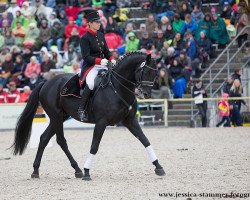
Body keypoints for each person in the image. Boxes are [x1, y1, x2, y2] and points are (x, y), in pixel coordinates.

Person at [78, 10, 116, 121]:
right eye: (96, 22)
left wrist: (112, 59)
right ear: (89, 23)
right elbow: (86, 57)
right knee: (90, 83)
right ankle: (81, 109)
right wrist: (100, 61)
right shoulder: (84, 38)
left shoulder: (101, 35)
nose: (99, 24)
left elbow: (107, 52)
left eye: (99, 22)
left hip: (103, 63)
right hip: (91, 66)